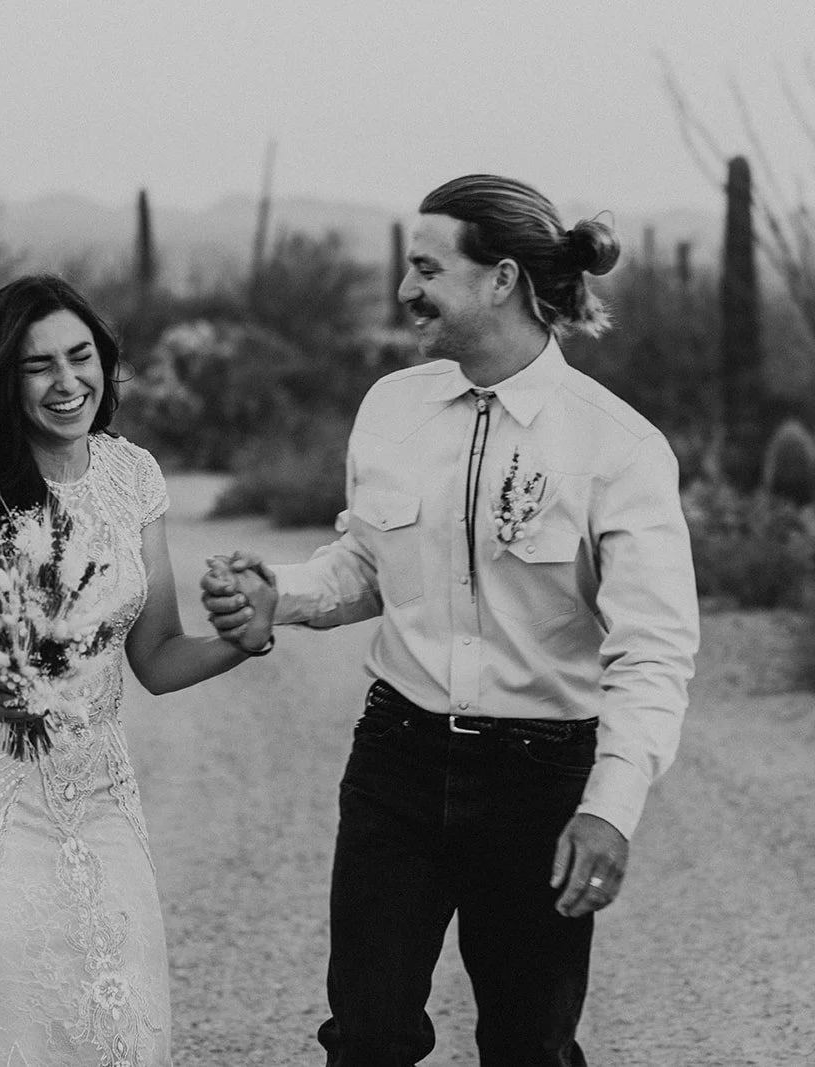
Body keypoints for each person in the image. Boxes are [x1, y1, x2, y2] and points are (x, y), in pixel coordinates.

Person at [202, 175, 699, 1066]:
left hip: (539, 778)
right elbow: (365, 564)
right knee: (368, 1036)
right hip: (396, 759)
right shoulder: (390, 409)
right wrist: (280, 591)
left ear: (501, 279)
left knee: (527, 1046)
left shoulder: (618, 448)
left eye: (426, 268)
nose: (404, 290)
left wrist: (611, 808)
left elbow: (654, 653)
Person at [0, 274, 273, 1066]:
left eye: (81, 356)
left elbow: (156, 656)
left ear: (104, 360)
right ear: (2, 381)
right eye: (37, 366)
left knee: (119, 1020)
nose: (67, 382)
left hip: (98, 798)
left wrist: (246, 638)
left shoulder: (132, 479)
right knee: (9, 1030)